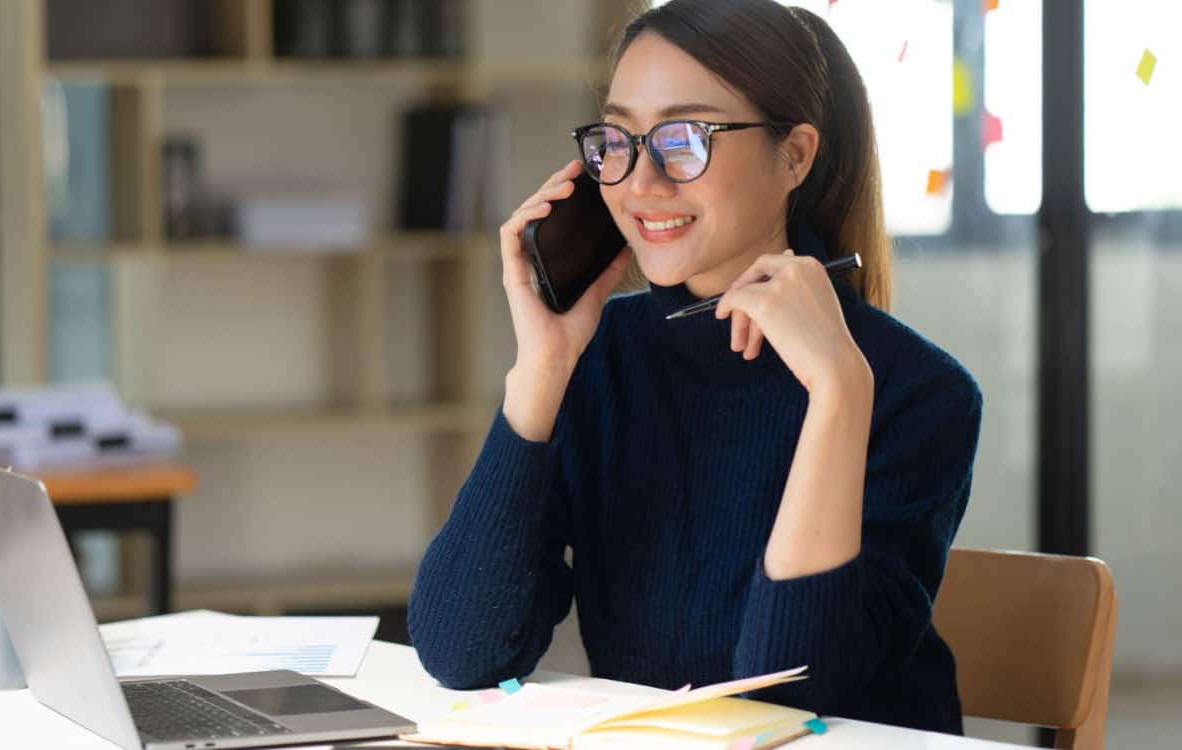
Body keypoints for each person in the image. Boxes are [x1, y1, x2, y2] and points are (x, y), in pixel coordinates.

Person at [406, 0, 982, 734]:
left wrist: (837, 393)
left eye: (684, 138)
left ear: (795, 156)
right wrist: (543, 369)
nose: (640, 181)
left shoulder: (915, 392)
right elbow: (461, 651)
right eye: (618, 139)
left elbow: (789, 691)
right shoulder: (599, 358)